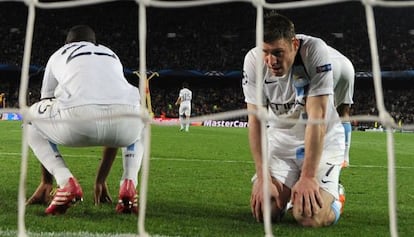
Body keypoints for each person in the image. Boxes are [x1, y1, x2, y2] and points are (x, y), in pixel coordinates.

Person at [242, 13, 347, 227]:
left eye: (278, 53)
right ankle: (289, 194)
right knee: (265, 212)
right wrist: (263, 177)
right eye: (266, 52)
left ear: (294, 44)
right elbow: (256, 122)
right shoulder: (253, 60)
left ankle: (336, 197)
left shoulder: (315, 52)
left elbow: (316, 119)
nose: (271, 61)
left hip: (322, 141)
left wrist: (308, 176)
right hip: (281, 143)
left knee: (308, 217)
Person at [26, 25, 144, 215]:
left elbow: (46, 103)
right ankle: (128, 184)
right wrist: (100, 179)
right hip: (126, 122)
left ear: (67, 43)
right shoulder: (110, 54)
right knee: (139, 125)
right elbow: (111, 111)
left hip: (78, 121)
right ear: (94, 43)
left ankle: (64, 182)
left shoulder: (59, 54)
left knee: (31, 119)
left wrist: (45, 180)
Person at [27, 147, 119, 206]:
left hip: (68, 128)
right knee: (120, 126)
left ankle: (64, 180)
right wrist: (100, 180)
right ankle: (129, 181)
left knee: (33, 123)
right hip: (104, 127)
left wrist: (47, 180)